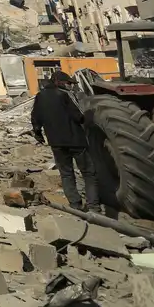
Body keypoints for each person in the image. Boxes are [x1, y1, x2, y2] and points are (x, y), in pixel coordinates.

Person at [32, 70, 100, 212]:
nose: (70, 86)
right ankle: (93, 207)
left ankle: (75, 205)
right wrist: (89, 118)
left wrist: (39, 134)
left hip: (56, 143)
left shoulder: (39, 96)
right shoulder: (65, 95)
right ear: (57, 82)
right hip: (76, 141)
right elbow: (78, 116)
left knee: (66, 173)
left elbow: (35, 119)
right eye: (68, 83)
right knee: (88, 173)